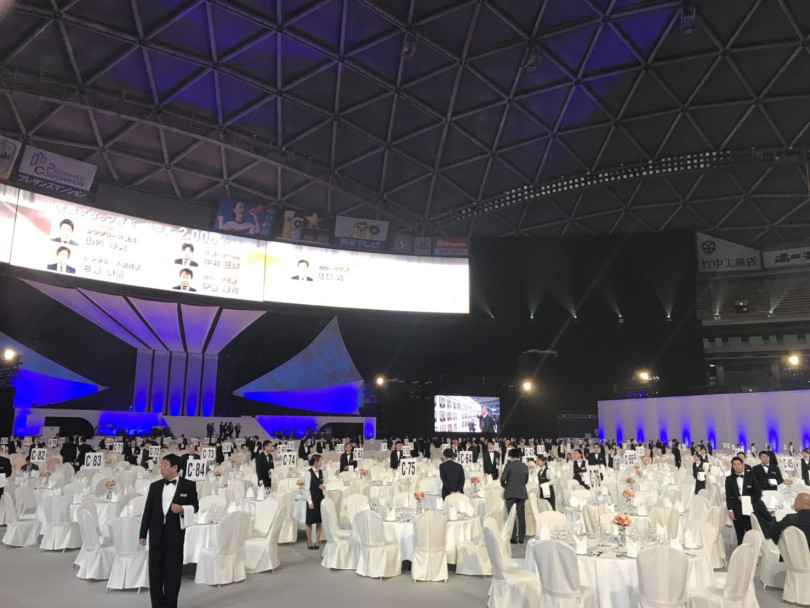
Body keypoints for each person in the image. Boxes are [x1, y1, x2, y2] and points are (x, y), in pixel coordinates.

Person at [139, 454, 198, 608]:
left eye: (165, 465)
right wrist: (142, 534)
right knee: (155, 574)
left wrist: (182, 508)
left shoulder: (188, 485)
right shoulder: (155, 486)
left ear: (175, 468)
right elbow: (148, 511)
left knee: (173, 574)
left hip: (175, 535)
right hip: (156, 535)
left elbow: (195, 506)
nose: (161, 468)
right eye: (161, 465)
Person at [726, 456, 774, 544]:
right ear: (732, 466)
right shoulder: (729, 479)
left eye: (739, 464)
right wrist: (730, 510)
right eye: (734, 464)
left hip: (750, 509)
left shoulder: (751, 477)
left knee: (750, 532)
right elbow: (728, 496)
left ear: (742, 465)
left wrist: (747, 499)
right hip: (736, 509)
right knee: (739, 534)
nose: (737, 466)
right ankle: (741, 549)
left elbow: (758, 493)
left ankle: (751, 549)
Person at [501, 448, 529, 544]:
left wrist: (505, 486)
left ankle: (513, 537)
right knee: (521, 516)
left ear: (511, 457)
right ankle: (521, 537)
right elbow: (526, 481)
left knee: (511, 515)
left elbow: (503, 479)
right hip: (521, 493)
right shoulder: (524, 466)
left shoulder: (509, 465)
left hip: (510, 493)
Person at [305, 454, 325, 549]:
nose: (321, 462)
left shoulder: (321, 471)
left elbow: (324, 483)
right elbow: (306, 489)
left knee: (319, 521)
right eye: (320, 461)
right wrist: (310, 502)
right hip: (312, 499)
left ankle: (317, 542)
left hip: (320, 498)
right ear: (315, 462)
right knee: (309, 521)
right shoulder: (308, 473)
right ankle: (309, 541)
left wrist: (323, 487)